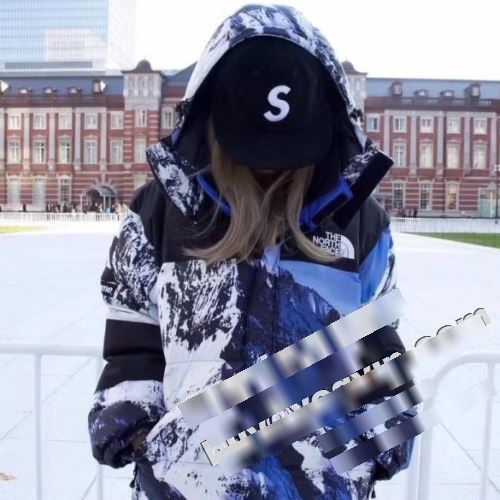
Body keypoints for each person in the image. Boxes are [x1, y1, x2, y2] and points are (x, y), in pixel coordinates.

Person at [88, 4, 416, 499]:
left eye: (288, 146)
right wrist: (140, 438)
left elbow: (378, 346)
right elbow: (133, 336)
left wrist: (375, 451)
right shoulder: (160, 210)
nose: (268, 168)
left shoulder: (362, 223)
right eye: (252, 144)